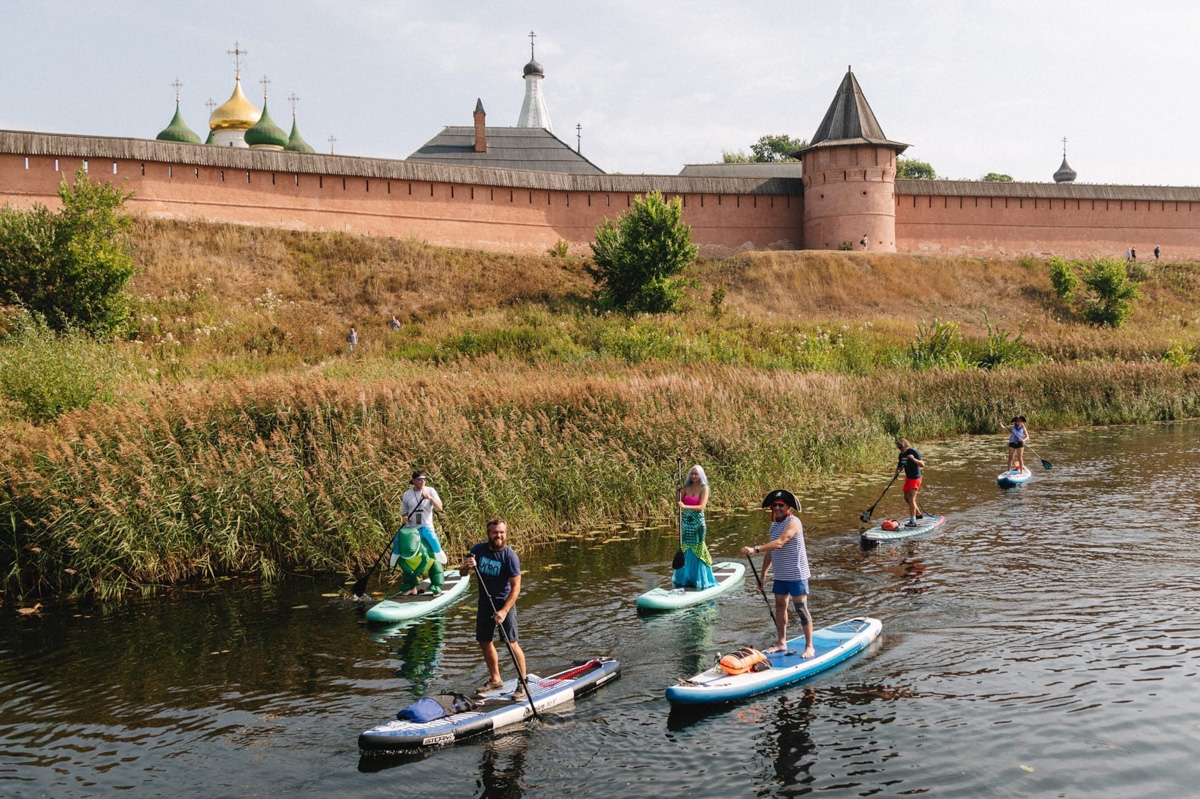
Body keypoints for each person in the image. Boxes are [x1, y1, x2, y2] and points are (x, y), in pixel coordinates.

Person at [740, 489, 813, 658]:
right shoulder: (774, 525)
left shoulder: (794, 522)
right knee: (780, 607)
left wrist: (755, 549)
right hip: (780, 575)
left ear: (788, 508)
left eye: (781, 505)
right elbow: (771, 550)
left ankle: (809, 646)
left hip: (797, 574)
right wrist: (763, 575)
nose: (777, 508)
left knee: (801, 609)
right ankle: (781, 642)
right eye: (775, 505)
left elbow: (780, 543)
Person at [463, 519, 529, 700]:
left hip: (504, 603)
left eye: (502, 532)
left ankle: (523, 683)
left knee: (511, 643)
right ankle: (496, 680)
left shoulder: (510, 557)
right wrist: (467, 565)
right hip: (485, 603)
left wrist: (504, 611)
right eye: (495, 532)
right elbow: (462, 573)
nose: (498, 535)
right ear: (488, 534)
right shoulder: (478, 550)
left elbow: (516, 588)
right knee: (484, 642)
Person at [674, 464, 716, 590]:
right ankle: (686, 578)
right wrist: (677, 491)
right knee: (686, 547)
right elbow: (678, 502)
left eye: (696, 474)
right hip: (686, 522)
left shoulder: (704, 488)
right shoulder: (687, 487)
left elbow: (702, 507)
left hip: (698, 523)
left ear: (700, 475)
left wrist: (685, 506)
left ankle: (700, 578)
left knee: (698, 547)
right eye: (692, 474)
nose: (693, 476)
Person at [401, 471, 446, 565]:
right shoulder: (407, 494)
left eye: (424, 479)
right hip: (412, 527)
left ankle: (439, 554)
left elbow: (440, 508)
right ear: (413, 480)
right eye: (420, 479)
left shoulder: (430, 491)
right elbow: (404, 512)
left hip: (426, 526)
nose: (423, 481)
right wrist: (405, 517)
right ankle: (395, 557)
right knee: (399, 538)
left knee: (432, 537)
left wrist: (430, 498)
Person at [894, 438, 926, 527]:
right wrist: (896, 474)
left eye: (901, 447)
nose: (901, 449)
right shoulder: (901, 455)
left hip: (915, 479)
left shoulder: (913, 452)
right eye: (899, 448)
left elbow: (922, 464)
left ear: (905, 445)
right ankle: (918, 514)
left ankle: (913, 520)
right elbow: (899, 466)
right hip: (908, 478)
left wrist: (913, 459)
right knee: (906, 498)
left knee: (911, 499)